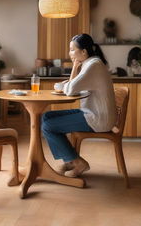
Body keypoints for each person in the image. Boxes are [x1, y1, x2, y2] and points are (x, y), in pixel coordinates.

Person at [41, 34, 116, 177]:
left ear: (84, 52)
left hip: (98, 118)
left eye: (72, 49)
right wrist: (73, 71)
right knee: (46, 116)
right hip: (92, 113)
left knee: (48, 126)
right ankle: (69, 160)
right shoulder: (91, 63)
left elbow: (69, 89)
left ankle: (76, 162)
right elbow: (71, 87)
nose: (70, 53)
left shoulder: (93, 65)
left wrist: (72, 72)